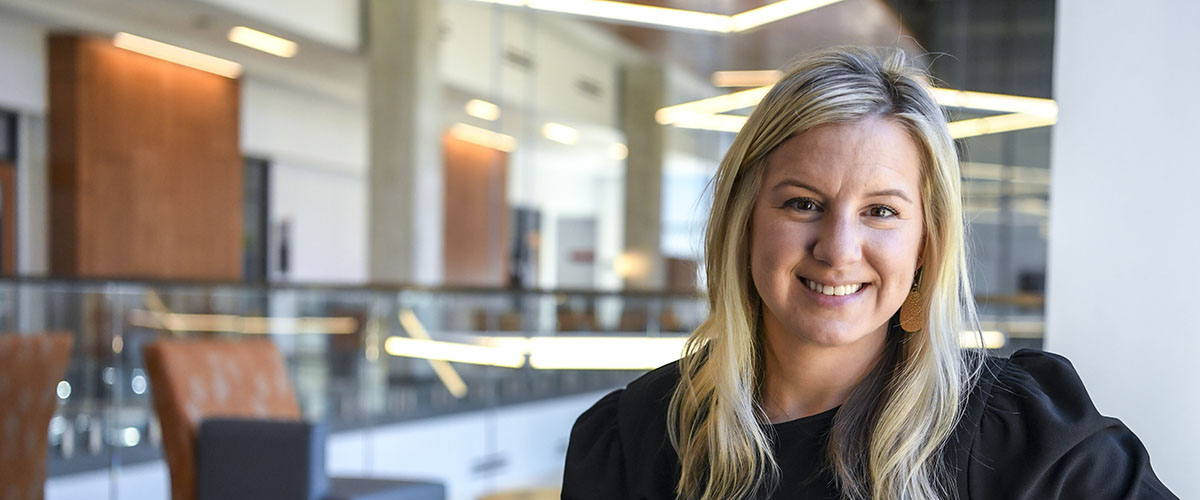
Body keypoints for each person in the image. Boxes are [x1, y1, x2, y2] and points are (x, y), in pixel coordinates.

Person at [561, 47, 1177, 500]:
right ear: (744, 221)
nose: (838, 248)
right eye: (803, 203)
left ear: (924, 245)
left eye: (880, 211)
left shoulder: (1023, 438)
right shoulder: (632, 436)